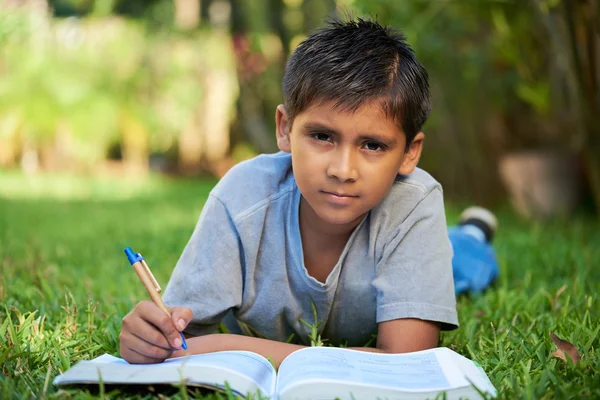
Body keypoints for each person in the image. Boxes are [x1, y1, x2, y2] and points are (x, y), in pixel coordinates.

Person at [119, 17, 494, 366]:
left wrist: (227, 346)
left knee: (461, 267)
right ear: (285, 128)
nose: (342, 171)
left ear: (409, 153)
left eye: (373, 146)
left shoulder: (414, 203)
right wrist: (150, 336)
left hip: (421, 246)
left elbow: (406, 358)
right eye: (321, 136)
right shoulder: (241, 198)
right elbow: (181, 336)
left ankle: (473, 234)